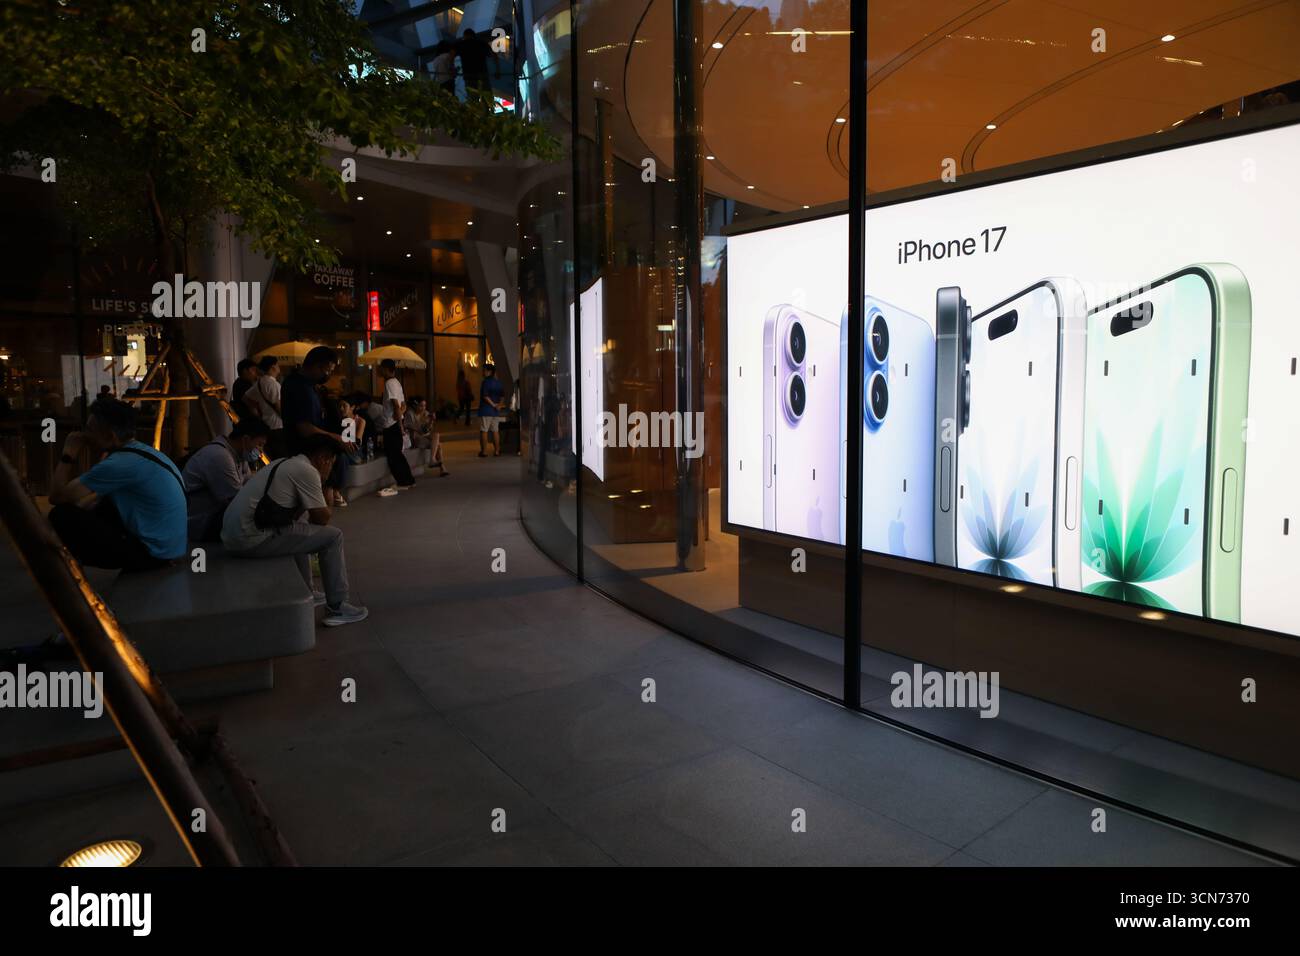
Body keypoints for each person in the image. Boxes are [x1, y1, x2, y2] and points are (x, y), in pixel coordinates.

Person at [221, 434, 368, 627]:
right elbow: (322, 518)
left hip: (234, 535)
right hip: (250, 539)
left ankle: (307, 591)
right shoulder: (307, 471)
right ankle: (337, 606)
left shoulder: (283, 463)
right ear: (323, 458)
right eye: (331, 463)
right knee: (334, 537)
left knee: (300, 527)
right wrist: (328, 490)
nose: (330, 468)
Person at [48, 397, 187, 571]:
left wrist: (68, 454)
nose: (85, 436)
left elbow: (57, 497)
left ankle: (67, 572)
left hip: (152, 555)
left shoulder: (118, 464)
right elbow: (90, 502)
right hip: (170, 549)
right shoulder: (143, 452)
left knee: (60, 515)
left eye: (90, 430)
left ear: (110, 436)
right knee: (102, 505)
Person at [182, 418, 270, 542]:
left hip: (212, 516)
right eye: (259, 444)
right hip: (200, 522)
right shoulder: (220, 456)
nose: (260, 451)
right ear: (245, 439)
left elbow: (250, 486)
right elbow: (237, 502)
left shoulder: (239, 457)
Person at [281, 345, 354, 461]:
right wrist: (336, 438)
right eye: (328, 371)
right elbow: (304, 428)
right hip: (306, 455)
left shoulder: (310, 385)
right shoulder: (298, 386)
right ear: (317, 366)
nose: (328, 375)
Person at [375, 359, 415, 495]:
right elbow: (404, 405)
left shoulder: (389, 383)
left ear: (386, 369)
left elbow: (396, 406)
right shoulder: (397, 382)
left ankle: (404, 481)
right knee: (398, 454)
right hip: (395, 423)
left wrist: (397, 422)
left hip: (390, 425)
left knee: (393, 456)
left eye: (380, 368)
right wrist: (399, 420)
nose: (378, 370)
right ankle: (408, 480)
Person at [249, 355, 285, 458]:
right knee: (279, 457)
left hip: (266, 425)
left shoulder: (259, 382)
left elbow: (246, 398)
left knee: (270, 457)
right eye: (277, 365)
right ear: (273, 367)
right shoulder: (274, 384)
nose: (279, 367)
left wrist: (258, 413)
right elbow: (279, 407)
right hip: (277, 426)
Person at [404, 396, 449, 478]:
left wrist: (431, 421)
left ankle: (433, 460)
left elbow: (427, 430)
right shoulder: (409, 414)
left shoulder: (425, 413)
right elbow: (419, 430)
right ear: (415, 406)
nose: (423, 408)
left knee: (436, 435)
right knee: (438, 445)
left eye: (424, 406)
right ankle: (442, 467)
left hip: (424, 437)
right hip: (414, 439)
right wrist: (425, 423)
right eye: (421, 406)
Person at [478, 362, 505, 457]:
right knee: (495, 431)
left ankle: (484, 451)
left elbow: (485, 396)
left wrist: (493, 404)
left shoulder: (485, 382)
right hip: (495, 411)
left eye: (484, 370)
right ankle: (497, 451)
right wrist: (499, 405)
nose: (483, 372)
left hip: (486, 410)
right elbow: (502, 396)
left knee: (484, 430)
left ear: (489, 372)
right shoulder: (498, 382)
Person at [456, 28, 493, 95]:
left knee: (473, 97)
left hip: (469, 74)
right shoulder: (481, 43)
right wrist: (497, 70)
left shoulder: (461, 45)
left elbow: (451, 55)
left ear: (465, 35)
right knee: (486, 96)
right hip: (482, 73)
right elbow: (492, 55)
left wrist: (451, 69)